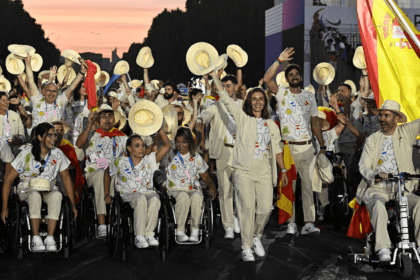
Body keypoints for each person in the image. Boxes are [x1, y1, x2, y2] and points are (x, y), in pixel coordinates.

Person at [211, 70, 288, 261]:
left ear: (265, 102)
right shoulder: (242, 118)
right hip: (243, 169)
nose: (258, 102)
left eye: (261, 98)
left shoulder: (271, 125)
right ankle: (246, 246)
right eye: (254, 99)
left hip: (264, 169)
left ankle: (256, 236)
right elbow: (226, 99)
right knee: (246, 208)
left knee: (265, 209)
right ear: (248, 101)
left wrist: (283, 169)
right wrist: (214, 77)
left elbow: (277, 149)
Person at [263, 47, 325, 236]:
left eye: (297, 74)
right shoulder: (281, 94)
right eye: (291, 74)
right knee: (289, 186)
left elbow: (315, 123)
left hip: (307, 147)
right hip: (288, 147)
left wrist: (322, 146)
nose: (295, 76)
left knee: (308, 186)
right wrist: (279, 60)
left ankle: (308, 222)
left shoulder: (309, 96)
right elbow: (266, 80)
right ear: (287, 79)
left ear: (300, 77)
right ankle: (291, 222)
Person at [357, 100, 420, 262]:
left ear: (396, 118)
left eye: (386, 115)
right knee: (378, 204)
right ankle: (383, 247)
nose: (382, 119)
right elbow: (363, 165)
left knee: (419, 204)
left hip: (402, 188)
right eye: (381, 115)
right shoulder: (372, 139)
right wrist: (374, 176)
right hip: (377, 188)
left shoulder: (406, 132)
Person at [1, 122, 77, 251]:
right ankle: (35, 237)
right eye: (50, 135)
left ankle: (50, 237)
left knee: (58, 195)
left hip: (48, 188)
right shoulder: (26, 154)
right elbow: (8, 180)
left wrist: (73, 205)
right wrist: (4, 208)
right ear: (40, 137)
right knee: (35, 195)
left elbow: (66, 179)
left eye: (55, 135)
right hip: (27, 189)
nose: (54, 138)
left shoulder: (57, 153)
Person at [196, 74, 244, 239]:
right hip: (223, 152)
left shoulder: (245, 106)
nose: (224, 89)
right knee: (225, 190)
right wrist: (200, 120)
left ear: (236, 87)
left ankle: (238, 216)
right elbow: (205, 115)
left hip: (241, 152)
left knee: (241, 189)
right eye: (222, 86)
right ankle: (228, 225)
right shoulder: (216, 105)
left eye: (228, 85)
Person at [105, 130, 171, 248]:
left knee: (155, 198)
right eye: (137, 146)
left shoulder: (149, 160)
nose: (141, 148)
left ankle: (149, 234)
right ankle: (139, 236)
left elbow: (167, 145)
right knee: (141, 198)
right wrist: (106, 193)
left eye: (142, 145)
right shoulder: (120, 162)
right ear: (129, 148)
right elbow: (107, 173)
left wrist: (159, 129)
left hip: (147, 191)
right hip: (127, 194)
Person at [76, 105, 127, 238]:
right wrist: (89, 124)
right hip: (95, 173)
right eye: (103, 116)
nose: (107, 119)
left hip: (115, 173)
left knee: (121, 176)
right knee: (101, 173)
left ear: (114, 119)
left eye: (110, 116)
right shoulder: (93, 134)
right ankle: (102, 223)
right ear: (98, 120)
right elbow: (79, 144)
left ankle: (115, 218)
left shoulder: (122, 137)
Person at [166, 127, 217, 243]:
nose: (181, 145)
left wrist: (211, 186)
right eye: (178, 142)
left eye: (184, 142)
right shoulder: (170, 155)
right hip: (176, 188)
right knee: (183, 196)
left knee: (197, 196)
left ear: (189, 142)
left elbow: (205, 176)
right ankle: (180, 231)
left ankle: (195, 230)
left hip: (193, 187)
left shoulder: (196, 157)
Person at [24, 53, 87, 127]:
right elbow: (31, 81)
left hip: (56, 137)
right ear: (44, 91)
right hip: (38, 137)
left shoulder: (60, 101)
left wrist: (82, 72)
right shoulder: (37, 99)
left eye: (54, 91)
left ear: (57, 93)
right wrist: (27, 62)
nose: (51, 93)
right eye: (49, 91)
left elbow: (72, 87)